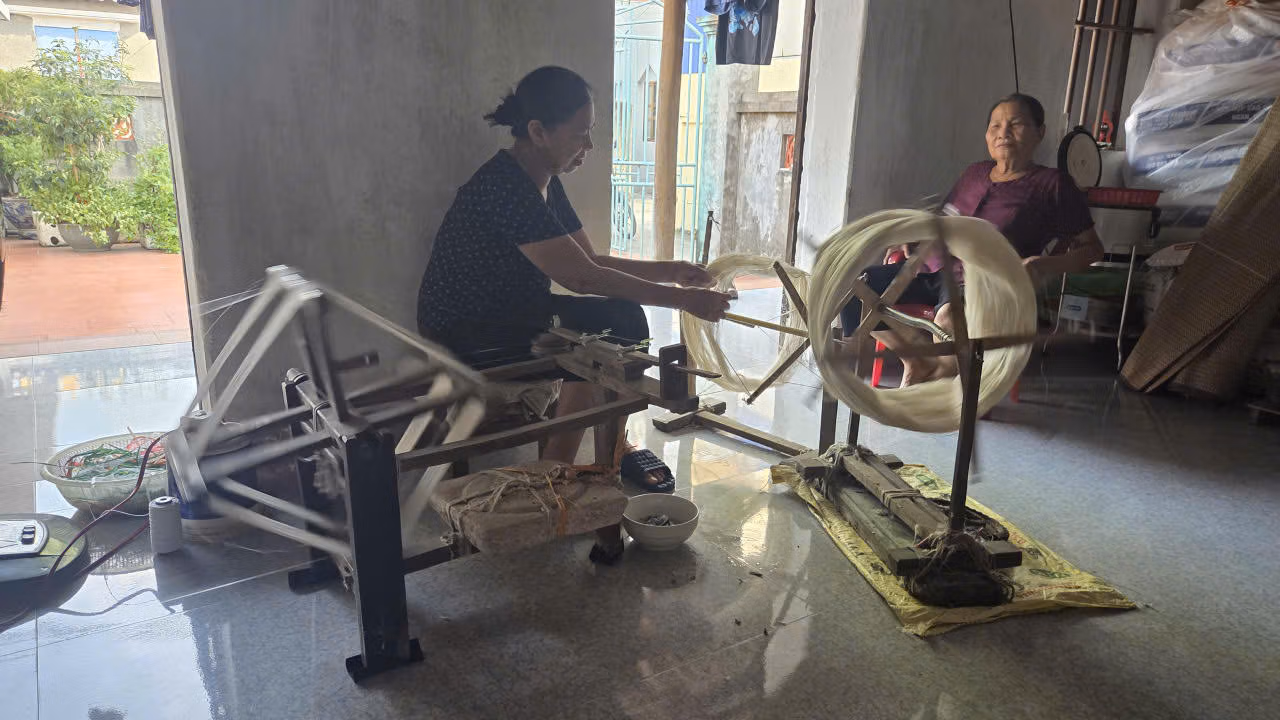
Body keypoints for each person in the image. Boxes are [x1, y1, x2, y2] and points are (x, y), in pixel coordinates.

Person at [417, 66, 732, 493]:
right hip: (465, 329)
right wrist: (683, 301)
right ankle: (554, 475)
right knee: (607, 331)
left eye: (591, 132)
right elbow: (583, 279)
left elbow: (589, 261)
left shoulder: (544, 179)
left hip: (512, 313)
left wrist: (672, 272)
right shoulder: (505, 186)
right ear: (538, 132)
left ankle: (611, 448)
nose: (589, 146)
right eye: (580, 134)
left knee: (621, 321)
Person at [841, 92, 1105, 385]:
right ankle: (915, 360)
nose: (1003, 133)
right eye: (995, 126)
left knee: (948, 321)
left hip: (981, 283)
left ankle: (939, 387)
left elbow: (1093, 249)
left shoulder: (1052, 185)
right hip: (929, 270)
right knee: (854, 291)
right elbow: (945, 220)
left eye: (1016, 124)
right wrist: (918, 237)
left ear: (1040, 132)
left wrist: (1043, 265)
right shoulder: (975, 173)